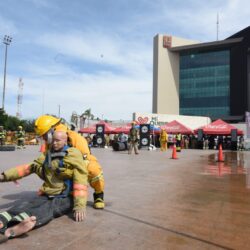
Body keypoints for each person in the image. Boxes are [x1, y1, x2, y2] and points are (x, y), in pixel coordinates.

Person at [0, 131, 88, 243]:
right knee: (28, 204)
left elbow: (80, 180)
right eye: (53, 140)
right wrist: (4, 176)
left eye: (58, 140)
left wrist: (79, 206)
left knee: (49, 208)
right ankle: (3, 219)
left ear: (65, 141)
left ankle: (16, 227)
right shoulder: (47, 154)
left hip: (66, 196)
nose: (54, 143)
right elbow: (30, 167)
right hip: (47, 192)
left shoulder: (73, 154)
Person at [34, 115, 105, 209]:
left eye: (44, 135)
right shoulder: (50, 143)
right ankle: (64, 190)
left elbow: (83, 163)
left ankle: (98, 195)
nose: (44, 138)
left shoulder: (76, 139)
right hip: (63, 168)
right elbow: (46, 160)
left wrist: (68, 169)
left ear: (52, 130)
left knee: (92, 168)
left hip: (79, 164)